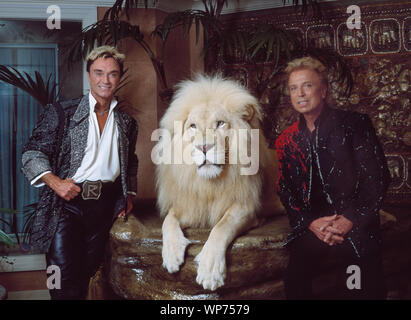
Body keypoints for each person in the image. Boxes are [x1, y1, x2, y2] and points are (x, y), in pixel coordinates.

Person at [22, 46, 138, 300]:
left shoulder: (128, 123)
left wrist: (127, 193)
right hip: (67, 206)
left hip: (104, 208)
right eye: (98, 73)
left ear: (119, 77)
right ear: (88, 75)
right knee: (63, 282)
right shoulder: (61, 112)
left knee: (87, 276)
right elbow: (31, 154)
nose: (105, 80)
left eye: (112, 74)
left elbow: (130, 162)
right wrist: (55, 183)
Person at [275, 56, 391, 299]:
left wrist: (349, 219)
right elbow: (285, 189)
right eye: (294, 88)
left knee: (361, 281)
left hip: (355, 220)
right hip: (316, 225)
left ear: (324, 90)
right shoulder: (287, 139)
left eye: (307, 85)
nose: (301, 94)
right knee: (295, 278)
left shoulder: (354, 125)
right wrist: (311, 223)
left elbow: (377, 177)